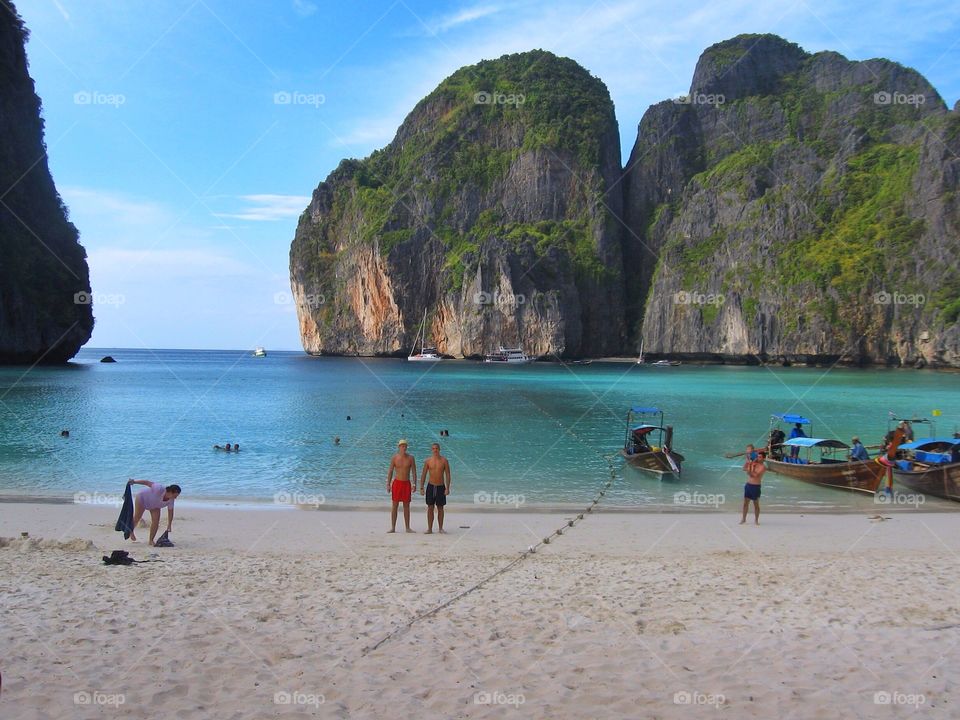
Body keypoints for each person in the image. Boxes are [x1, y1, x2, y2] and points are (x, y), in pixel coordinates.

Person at [127, 479, 180, 546]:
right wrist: (134, 482)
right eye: (175, 496)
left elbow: (170, 512)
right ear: (170, 492)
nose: (175, 498)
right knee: (137, 517)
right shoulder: (159, 488)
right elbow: (147, 482)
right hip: (142, 498)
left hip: (155, 506)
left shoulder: (171, 500)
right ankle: (130, 531)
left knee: (156, 522)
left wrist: (169, 525)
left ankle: (151, 540)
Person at [420, 442, 451, 534]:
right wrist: (421, 487)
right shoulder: (428, 461)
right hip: (431, 486)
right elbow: (424, 474)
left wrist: (447, 488)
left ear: (439, 449)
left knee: (440, 507)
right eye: (433, 448)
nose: (435, 450)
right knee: (430, 507)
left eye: (436, 448)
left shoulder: (444, 461)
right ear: (431, 450)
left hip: (441, 486)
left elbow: (448, 475)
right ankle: (429, 529)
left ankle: (440, 528)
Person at [386, 440, 416, 533]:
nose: (404, 447)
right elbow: (390, 471)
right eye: (402, 446)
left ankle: (407, 528)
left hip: (406, 483)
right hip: (397, 483)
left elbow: (414, 472)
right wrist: (388, 484)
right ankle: (393, 528)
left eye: (405, 446)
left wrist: (414, 484)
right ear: (399, 447)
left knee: (406, 506)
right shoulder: (394, 458)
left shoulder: (411, 458)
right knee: (395, 505)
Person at [740, 450, 765, 525]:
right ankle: (743, 519)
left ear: (763, 458)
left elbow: (755, 475)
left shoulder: (763, 467)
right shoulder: (754, 464)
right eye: (758, 456)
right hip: (748, 485)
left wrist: (751, 466)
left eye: (760, 457)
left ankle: (756, 520)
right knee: (745, 503)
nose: (758, 458)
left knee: (756, 504)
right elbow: (744, 469)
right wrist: (748, 462)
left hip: (755, 486)